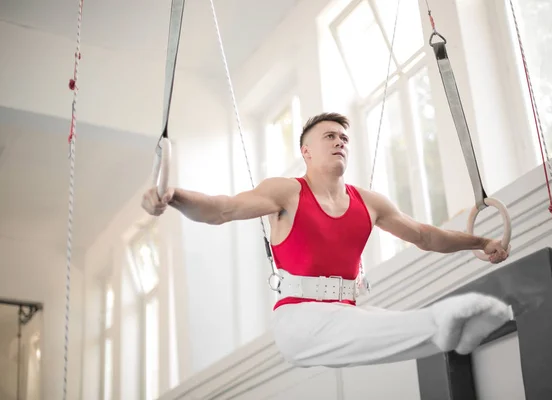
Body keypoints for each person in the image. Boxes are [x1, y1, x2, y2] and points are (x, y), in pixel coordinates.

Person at [141, 112, 513, 368]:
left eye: (344, 138)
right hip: (299, 321)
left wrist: (480, 242)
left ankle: (453, 334)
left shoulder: (370, 202)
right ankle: (442, 321)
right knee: (374, 325)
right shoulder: (285, 192)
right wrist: (172, 196)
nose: (340, 142)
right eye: (330, 136)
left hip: (346, 314)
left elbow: (426, 236)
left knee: (383, 323)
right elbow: (221, 209)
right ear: (306, 151)